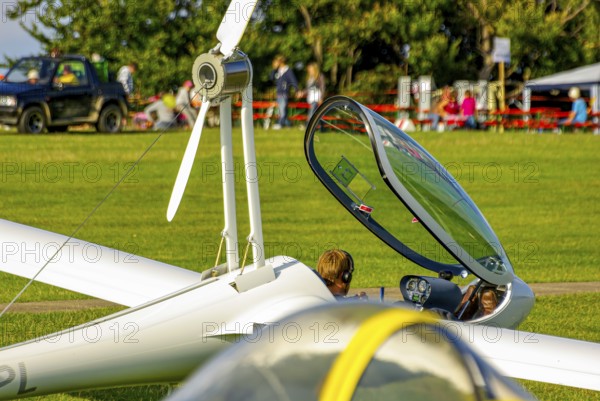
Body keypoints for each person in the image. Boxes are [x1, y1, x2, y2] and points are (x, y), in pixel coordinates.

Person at [269, 55, 298, 129]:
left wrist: (296, 90)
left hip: (284, 93)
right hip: (278, 93)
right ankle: (288, 125)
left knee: (282, 110)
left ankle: (280, 124)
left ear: (280, 61)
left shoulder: (288, 70)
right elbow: (271, 78)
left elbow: (293, 81)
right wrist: (274, 69)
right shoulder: (278, 71)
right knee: (281, 110)